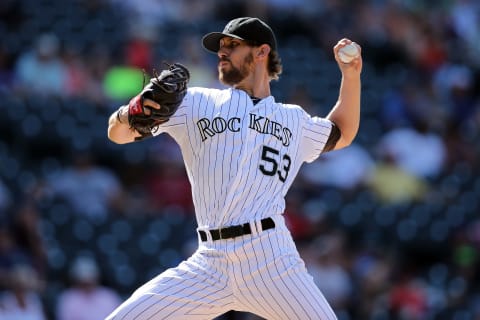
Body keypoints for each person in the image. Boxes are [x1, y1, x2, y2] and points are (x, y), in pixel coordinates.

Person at [106, 17, 362, 320]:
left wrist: (351, 75)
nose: (222, 53)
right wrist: (132, 110)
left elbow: (342, 132)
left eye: (232, 45)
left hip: (270, 259)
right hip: (209, 263)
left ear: (261, 52)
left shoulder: (295, 119)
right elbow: (117, 133)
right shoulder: (196, 102)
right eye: (220, 48)